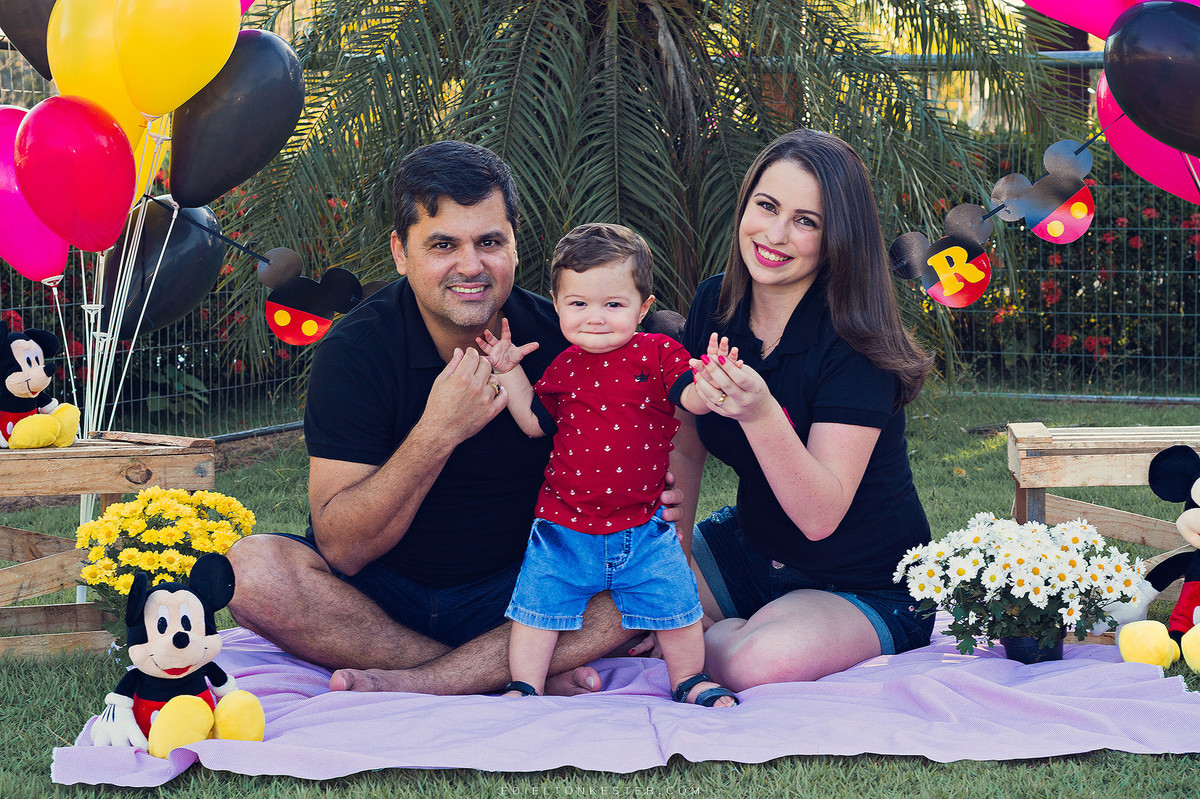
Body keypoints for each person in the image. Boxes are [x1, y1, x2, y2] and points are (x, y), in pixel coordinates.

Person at [225, 141, 679, 696]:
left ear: (515, 246)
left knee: (651, 575)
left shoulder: (572, 337)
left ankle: (441, 679)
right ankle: (488, 672)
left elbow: (649, 447)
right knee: (251, 571)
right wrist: (439, 431)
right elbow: (342, 547)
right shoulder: (356, 349)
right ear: (400, 252)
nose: (471, 266)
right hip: (378, 603)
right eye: (443, 245)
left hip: (529, 592)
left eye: (490, 242)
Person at [652, 129, 936, 690]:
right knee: (627, 595)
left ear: (837, 238)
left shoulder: (858, 342)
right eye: (767, 206)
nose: (775, 234)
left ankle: (711, 635)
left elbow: (819, 515)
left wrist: (760, 415)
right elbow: (684, 443)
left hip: (864, 581)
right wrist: (676, 569)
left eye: (806, 221)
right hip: (753, 550)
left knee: (759, 664)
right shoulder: (715, 304)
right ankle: (712, 625)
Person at [477, 223, 737, 706]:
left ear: (643, 308)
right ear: (556, 305)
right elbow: (536, 423)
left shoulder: (658, 353)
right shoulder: (564, 367)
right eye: (578, 304)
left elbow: (691, 398)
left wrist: (713, 383)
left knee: (677, 607)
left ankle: (690, 680)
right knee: (536, 610)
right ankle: (524, 685)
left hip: (644, 527)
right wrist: (509, 371)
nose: (595, 317)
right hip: (562, 528)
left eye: (613, 304)